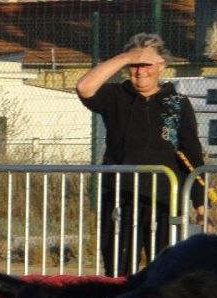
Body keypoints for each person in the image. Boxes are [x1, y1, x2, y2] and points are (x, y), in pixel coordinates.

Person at [77, 32, 207, 277]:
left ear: (161, 65)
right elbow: (84, 87)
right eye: (134, 65)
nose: (140, 71)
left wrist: (201, 203)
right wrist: (127, 56)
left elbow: (191, 152)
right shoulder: (114, 96)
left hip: (165, 199)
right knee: (119, 270)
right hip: (120, 198)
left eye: (146, 64)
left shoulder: (177, 103)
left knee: (168, 273)